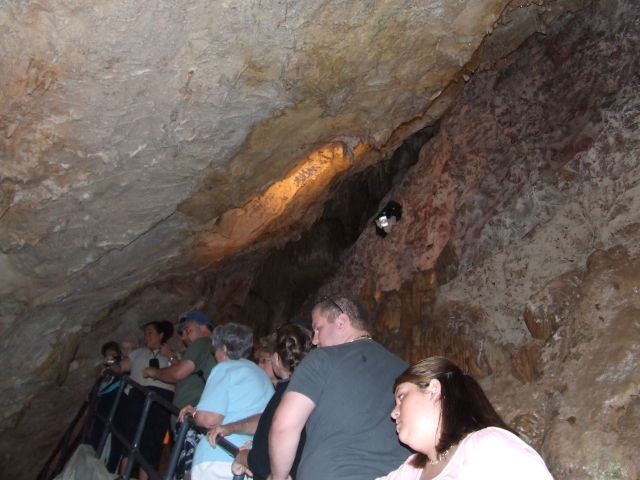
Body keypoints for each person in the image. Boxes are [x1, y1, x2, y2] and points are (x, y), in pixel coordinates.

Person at [269, 296, 410, 480]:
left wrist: (278, 477)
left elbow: (284, 426)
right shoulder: (406, 371)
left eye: (318, 328)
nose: (314, 340)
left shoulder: (322, 359)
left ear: (341, 322)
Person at [377, 357, 554, 480]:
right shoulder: (411, 470)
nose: (393, 413)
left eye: (401, 397)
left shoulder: (488, 447)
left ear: (433, 390)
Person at [209, 323, 312, 480]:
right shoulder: (310, 394)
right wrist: (231, 428)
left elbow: (263, 461)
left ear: (276, 358)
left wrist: (242, 457)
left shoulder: (286, 398)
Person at [179, 322, 274, 480]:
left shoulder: (225, 368)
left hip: (219, 456)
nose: (215, 356)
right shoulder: (263, 376)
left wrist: (194, 415)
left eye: (215, 351)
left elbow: (209, 420)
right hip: (250, 461)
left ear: (223, 349)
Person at [142, 311, 216, 480]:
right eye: (182, 333)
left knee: (188, 470)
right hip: (198, 418)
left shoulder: (202, 342)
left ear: (203, 328)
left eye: (188, 330)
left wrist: (154, 372)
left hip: (192, 418)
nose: (184, 337)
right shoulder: (210, 349)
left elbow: (179, 373)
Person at [115, 321, 175, 480]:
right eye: (145, 333)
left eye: (150, 332)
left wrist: (170, 355)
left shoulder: (171, 355)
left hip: (161, 399)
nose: (146, 336)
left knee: (152, 442)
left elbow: (181, 373)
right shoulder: (138, 352)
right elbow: (122, 366)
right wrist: (111, 367)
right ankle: (123, 476)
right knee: (130, 435)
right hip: (138, 394)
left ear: (161, 334)